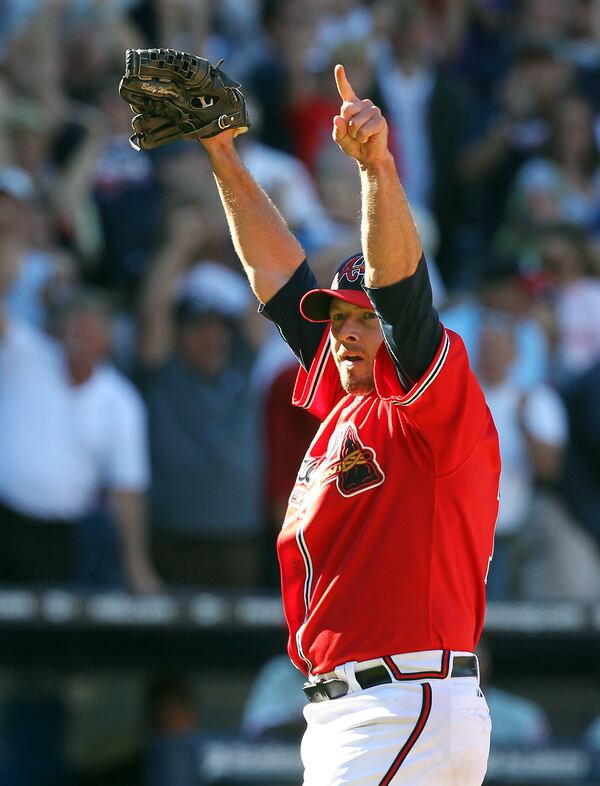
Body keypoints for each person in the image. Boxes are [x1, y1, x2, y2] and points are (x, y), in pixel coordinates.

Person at [195, 62, 501, 785]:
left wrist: (376, 171)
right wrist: (222, 156)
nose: (344, 332)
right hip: (368, 709)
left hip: (401, 702)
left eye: (363, 321)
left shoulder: (430, 404)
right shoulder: (346, 403)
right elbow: (279, 282)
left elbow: (402, 298)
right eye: (337, 318)